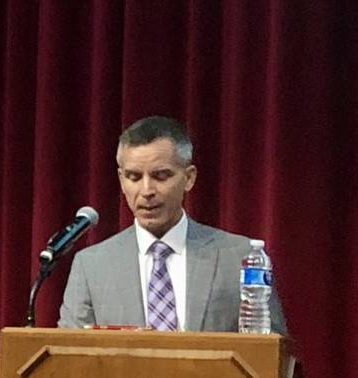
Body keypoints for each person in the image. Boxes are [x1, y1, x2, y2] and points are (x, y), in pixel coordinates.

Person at [58, 115, 287, 333]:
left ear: (189, 178)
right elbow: (69, 361)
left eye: (161, 176)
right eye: (134, 177)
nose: (147, 191)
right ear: (121, 180)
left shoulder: (239, 257)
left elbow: (271, 357)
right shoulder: (91, 267)